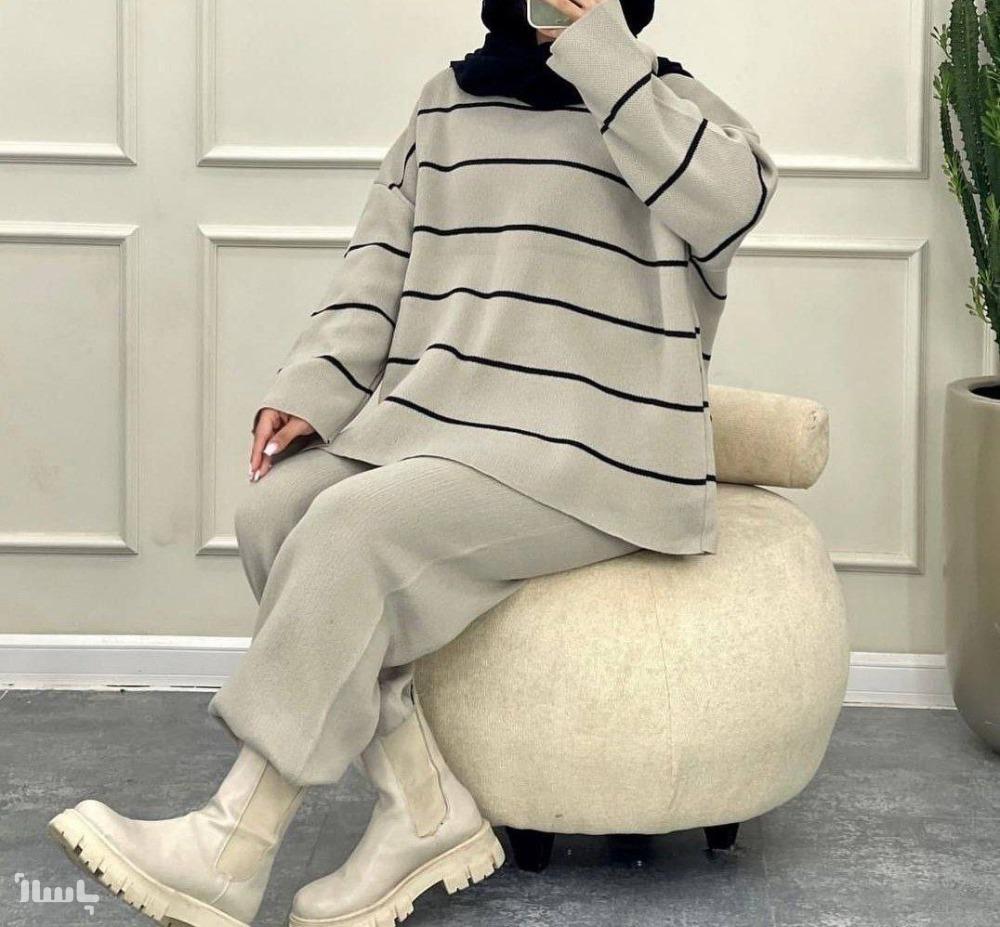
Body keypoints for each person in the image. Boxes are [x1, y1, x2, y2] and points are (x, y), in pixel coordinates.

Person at [47, 1, 779, 925]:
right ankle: (421, 807)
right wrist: (313, 387)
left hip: (599, 450)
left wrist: (599, 51)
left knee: (352, 528)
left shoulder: (671, 108)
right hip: (445, 424)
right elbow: (376, 268)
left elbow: (730, 207)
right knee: (272, 513)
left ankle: (232, 844)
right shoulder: (447, 105)